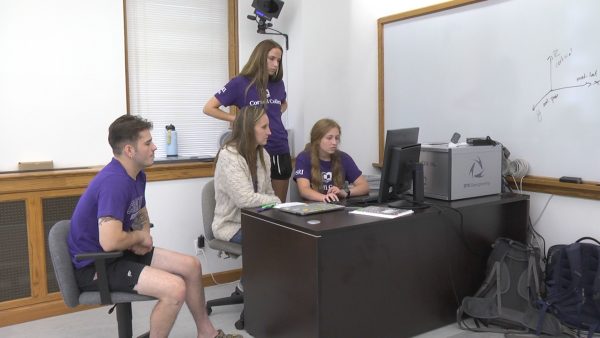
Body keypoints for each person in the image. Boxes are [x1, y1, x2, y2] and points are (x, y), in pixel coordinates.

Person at [67, 115, 240, 338]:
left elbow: (140, 213)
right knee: (175, 289)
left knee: (192, 266)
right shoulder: (114, 182)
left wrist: (144, 237)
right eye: (147, 143)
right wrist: (138, 238)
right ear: (130, 150)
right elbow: (109, 242)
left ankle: (206, 333)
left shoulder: (136, 175)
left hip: (119, 253)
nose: (155, 146)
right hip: (96, 265)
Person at [204, 39, 291, 203]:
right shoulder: (240, 83)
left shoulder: (278, 84)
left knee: (278, 206)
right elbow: (209, 108)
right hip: (254, 151)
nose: (275, 64)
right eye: (271, 58)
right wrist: (237, 119)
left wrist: (275, 114)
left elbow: (283, 103)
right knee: (254, 203)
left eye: (278, 60)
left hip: (280, 148)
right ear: (260, 57)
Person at [212, 106, 281, 244]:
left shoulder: (264, 155)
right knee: (276, 242)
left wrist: (274, 202)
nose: (269, 132)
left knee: (293, 235)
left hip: (258, 221)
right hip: (232, 227)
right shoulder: (229, 156)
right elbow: (244, 200)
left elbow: (269, 192)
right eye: (264, 127)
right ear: (248, 129)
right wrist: (276, 201)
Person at [293, 118, 369, 202]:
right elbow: (304, 190)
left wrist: (345, 192)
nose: (334, 142)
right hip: (313, 208)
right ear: (317, 140)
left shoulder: (344, 157)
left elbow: (364, 186)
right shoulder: (304, 158)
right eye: (329, 138)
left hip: (337, 208)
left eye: (336, 138)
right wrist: (324, 197)